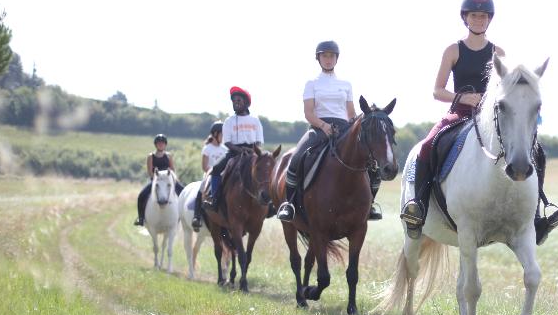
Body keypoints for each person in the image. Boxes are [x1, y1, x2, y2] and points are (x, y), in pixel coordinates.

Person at [399, 0, 558, 244]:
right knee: (426, 146)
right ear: (465, 18)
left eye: (483, 16)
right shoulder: (453, 50)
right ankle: (418, 207)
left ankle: (538, 213)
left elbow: (507, 91)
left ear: (489, 20)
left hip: (494, 118)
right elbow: (437, 91)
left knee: (536, 150)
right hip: (460, 114)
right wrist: (466, 99)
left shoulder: (499, 52)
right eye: (474, 16)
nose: (479, 20)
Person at [276, 40, 384, 223]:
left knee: (371, 162)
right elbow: (308, 113)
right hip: (318, 128)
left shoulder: (345, 84)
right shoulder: (312, 83)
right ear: (318, 58)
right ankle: (290, 204)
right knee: (296, 158)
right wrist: (324, 126)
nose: (328, 59)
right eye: (324, 56)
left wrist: (364, 119)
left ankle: (370, 204)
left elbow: (350, 114)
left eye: (331, 56)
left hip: (343, 129)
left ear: (336, 59)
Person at [193, 86, 263, 230]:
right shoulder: (229, 121)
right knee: (216, 169)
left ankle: (270, 202)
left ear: (246, 103)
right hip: (234, 152)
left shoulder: (255, 121)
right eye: (234, 100)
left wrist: (251, 151)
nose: (236, 102)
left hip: (252, 152)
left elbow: (258, 141)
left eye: (239, 100)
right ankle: (213, 198)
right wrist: (239, 150)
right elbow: (228, 142)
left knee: (266, 168)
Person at [133, 134, 184, 226]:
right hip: (156, 181)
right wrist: (158, 178)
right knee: (141, 195)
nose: (161, 145)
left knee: (183, 191)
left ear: (165, 145)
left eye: (162, 143)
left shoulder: (168, 156)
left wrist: (172, 178)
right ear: (155, 144)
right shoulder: (150, 156)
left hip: (168, 180)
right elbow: (149, 171)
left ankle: (184, 214)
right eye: (159, 143)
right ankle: (141, 218)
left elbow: (172, 169)